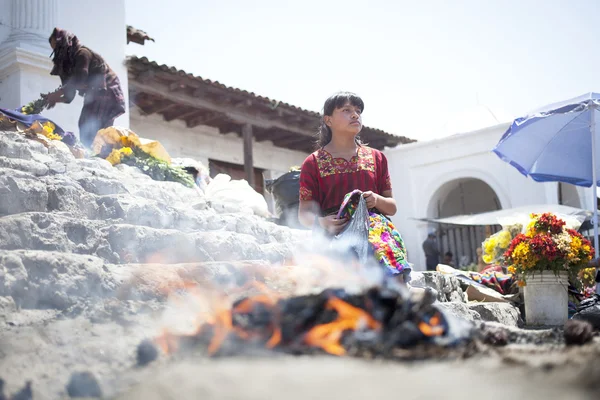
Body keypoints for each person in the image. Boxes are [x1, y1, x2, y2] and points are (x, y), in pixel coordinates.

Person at [297, 92, 410, 282]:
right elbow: (304, 215)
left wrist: (376, 199)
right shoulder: (313, 162)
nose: (355, 115)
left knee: (384, 253)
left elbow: (391, 207)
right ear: (328, 120)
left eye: (358, 111)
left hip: (376, 231)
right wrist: (323, 222)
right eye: (346, 110)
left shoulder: (377, 158)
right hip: (335, 233)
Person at [44, 28, 126, 148]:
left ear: (66, 43)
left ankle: (100, 154)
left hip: (106, 91)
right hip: (94, 93)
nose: (57, 51)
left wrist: (56, 95)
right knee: (85, 123)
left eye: (58, 47)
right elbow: (69, 96)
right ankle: (95, 153)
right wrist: (54, 99)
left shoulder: (82, 54)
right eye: (54, 49)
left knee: (94, 124)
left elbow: (80, 79)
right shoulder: (68, 65)